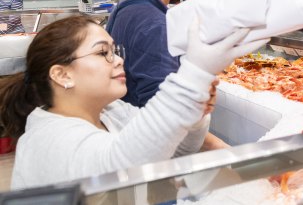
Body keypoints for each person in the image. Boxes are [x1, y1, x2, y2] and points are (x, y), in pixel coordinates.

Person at [0, 14, 266, 189]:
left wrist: (195, 117)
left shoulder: (112, 111)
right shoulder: (48, 139)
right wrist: (193, 73)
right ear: (62, 75)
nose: (118, 60)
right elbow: (121, 167)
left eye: (114, 51)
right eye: (102, 52)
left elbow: (174, 152)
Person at [107, 0, 226, 149]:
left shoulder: (124, 8)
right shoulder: (154, 24)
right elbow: (164, 113)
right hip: (151, 149)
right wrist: (227, 153)